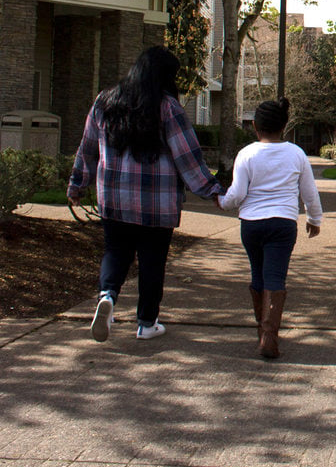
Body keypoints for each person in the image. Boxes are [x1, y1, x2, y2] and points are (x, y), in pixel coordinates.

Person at [68, 46, 223, 342]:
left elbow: (87, 149)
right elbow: (187, 158)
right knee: (153, 261)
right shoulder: (167, 108)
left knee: (115, 252)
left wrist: (77, 185)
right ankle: (146, 323)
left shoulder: (105, 101)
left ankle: (108, 297)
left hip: (113, 199)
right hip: (157, 204)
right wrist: (212, 190)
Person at [217, 98, 322, 359]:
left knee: (258, 275)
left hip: (251, 224)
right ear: (284, 126)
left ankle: (261, 331)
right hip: (283, 223)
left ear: (254, 126)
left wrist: (222, 202)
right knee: (275, 277)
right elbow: (309, 193)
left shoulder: (247, 154)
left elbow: (238, 193)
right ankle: (269, 336)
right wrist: (314, 219)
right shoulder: (296, 154)